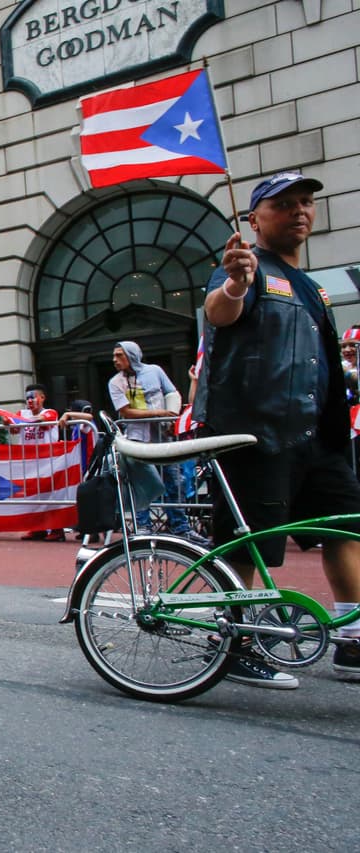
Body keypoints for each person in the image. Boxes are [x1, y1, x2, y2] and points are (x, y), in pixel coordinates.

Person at [195, 170, 360, 686]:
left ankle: (353, 641)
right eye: (284, 204)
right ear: (254, 219)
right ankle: (233, 643)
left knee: (346, 528)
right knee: (250, 542)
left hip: (318, 436)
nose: (299, 211)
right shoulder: (246, 267)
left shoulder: (313, 287)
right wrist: (235, 283)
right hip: (257, 433)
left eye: (305, 202)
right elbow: (220, 311)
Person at [107, 342, 200, 543]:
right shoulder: (115, 382)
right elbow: (126, 411)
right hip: (137, 440)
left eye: (120, 355)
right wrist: (160, 413)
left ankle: (180, 527)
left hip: (163, 438)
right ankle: (143, 527)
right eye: (114, 355)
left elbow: (172, 393)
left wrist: (171, 418)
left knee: (174, 482)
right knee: (142, 484)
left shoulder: (155, 371)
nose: (115, 360)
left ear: (132, 355)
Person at [16, 384, 64, 541]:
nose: (30, 401)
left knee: (52, 496)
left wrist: (21, 421)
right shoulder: (21, 413)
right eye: (27, 398)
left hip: (48, 462)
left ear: (42, 398)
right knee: (33, 495)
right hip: (30, 463)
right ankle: (38, 529)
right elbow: (12, 427)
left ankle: (57, 530)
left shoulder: (50, 412)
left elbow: (42, 420)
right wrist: (7, 420)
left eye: (33, 397)